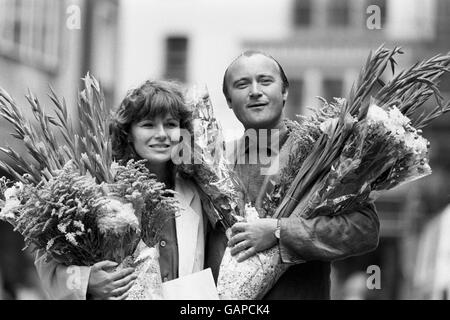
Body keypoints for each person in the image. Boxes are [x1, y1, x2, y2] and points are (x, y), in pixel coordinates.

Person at [205, 51, 380, 299]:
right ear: (229, 100)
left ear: (285, 91)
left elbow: (365, 229)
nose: (255, 91)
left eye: (265, 81)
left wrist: (279, 232)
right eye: (242, 84)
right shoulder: (214, 163)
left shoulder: (322, 153)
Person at [34, 80, 208, 299]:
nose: (162, 134)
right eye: (148, 125)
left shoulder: (199, 193)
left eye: (171, 124)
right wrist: (87, 281)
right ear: (128, 133)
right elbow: (46, 260)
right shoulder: (97, 188)